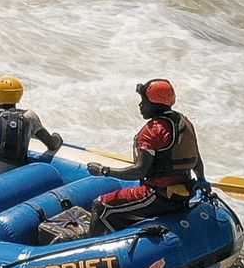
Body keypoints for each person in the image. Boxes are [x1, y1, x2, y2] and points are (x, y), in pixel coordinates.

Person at [83, 79, 208, 233]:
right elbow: (196, 159)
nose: (140, 105)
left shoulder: (153, 131)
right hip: (182, 194)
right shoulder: (185, 122)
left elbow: (139, 171)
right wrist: (201, 179)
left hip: (158, 196)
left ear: (155, 105)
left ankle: (95, 250)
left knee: (100, 206)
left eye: (144, 101)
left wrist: (104, 170)